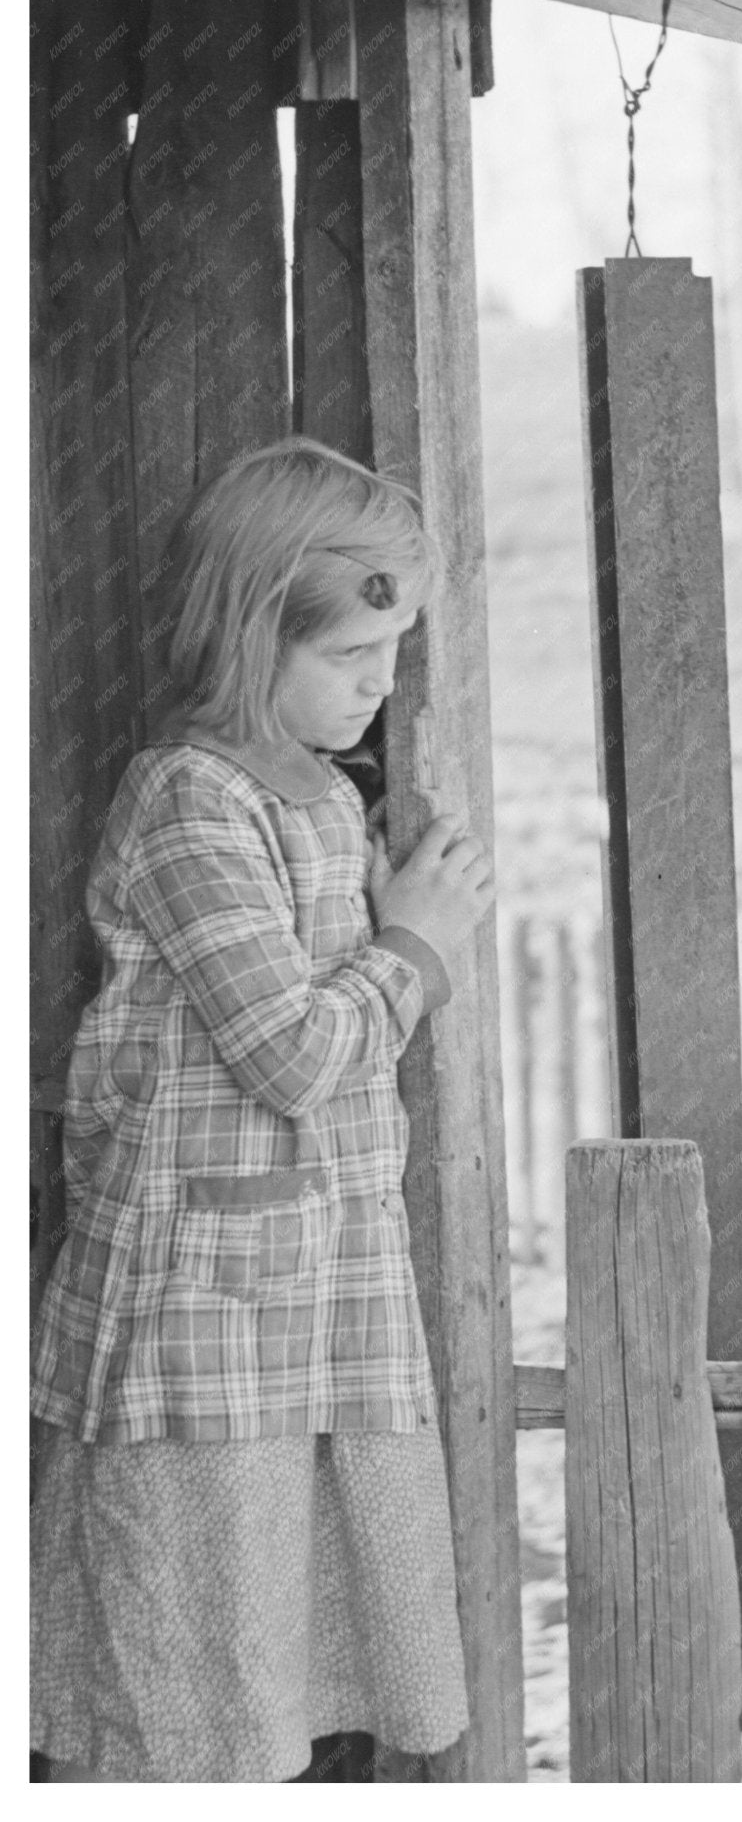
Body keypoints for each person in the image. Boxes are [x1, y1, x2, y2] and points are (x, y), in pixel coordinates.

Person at [31, 436, 495, 1781]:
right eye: (352, 657)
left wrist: (398, 928)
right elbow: (288, 1053)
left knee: (272, 1689)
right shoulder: (187, 802)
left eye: (391, 653)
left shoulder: (320, 800)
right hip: (198, 1332)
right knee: (188, 1708)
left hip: (315, 1306)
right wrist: (413, 946)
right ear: (253, 632)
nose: (380, 683)